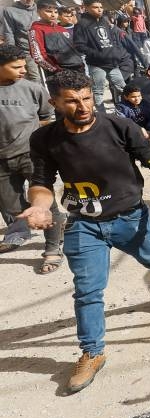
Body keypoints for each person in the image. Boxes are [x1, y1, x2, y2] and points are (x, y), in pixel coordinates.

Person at [18, 70, 150, 393]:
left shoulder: (120, 126)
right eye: (72, 101)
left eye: (86, 98)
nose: (82, 106)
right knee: (87, 289)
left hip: (129, 216)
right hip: (84, 223)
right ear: (54, 103)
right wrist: (39, 206)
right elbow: (41, 183)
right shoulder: (44, 139)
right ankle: (92, 351)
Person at [0, 45, 66, 273]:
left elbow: (46, 119)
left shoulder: (33, 89)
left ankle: (52, 248)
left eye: (23, 66)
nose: (22, 70)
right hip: (1, 161)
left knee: (45, 204)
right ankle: (18, 233)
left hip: (31, 155)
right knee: (10, 206)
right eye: (15, 67)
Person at [74, 0, 129, 108]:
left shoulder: (104, 21)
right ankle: (101, 117)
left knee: (123, 88)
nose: (99, 9)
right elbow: (79, 45)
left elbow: (111, 39)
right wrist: (97, 54)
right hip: (97, 65)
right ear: (86, 8)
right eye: (95, 7)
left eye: (101, 7)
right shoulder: (81, 24)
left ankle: (125, 113)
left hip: (112, 62)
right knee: (98, 92)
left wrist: (116, 52)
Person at [28, 0, 85, 75]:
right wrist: (56, 70)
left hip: (78, 66)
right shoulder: (36, 29)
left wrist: (80, 62)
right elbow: (38, 56)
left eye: (56, 12)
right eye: (48, 11)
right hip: (60, 71)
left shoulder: (61, 28)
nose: (53, 14)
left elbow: (73, 48)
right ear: (38, 12)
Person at [0, 0, 39, 81]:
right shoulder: (10, 11)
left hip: (43, 48)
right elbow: (8, 32)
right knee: (35, 77)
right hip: (27, 50)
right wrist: (11, 52)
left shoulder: (39, 9)